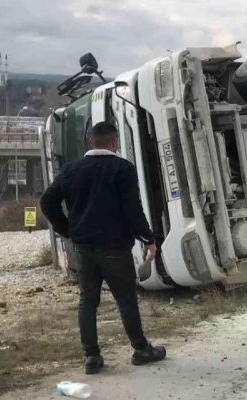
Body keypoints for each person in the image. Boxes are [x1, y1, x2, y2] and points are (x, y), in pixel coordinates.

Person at [40, 121, 165, 375]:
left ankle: (92, 357)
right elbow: (132, 209)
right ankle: (141, 350)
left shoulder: (71, 170)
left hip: (84, 247)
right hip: (115, 247)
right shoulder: (123, 169)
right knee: (126, 299)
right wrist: (148, 238)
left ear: (90, 141)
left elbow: (47, 200)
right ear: (114, 142)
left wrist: (67, 229)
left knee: (87, 301)